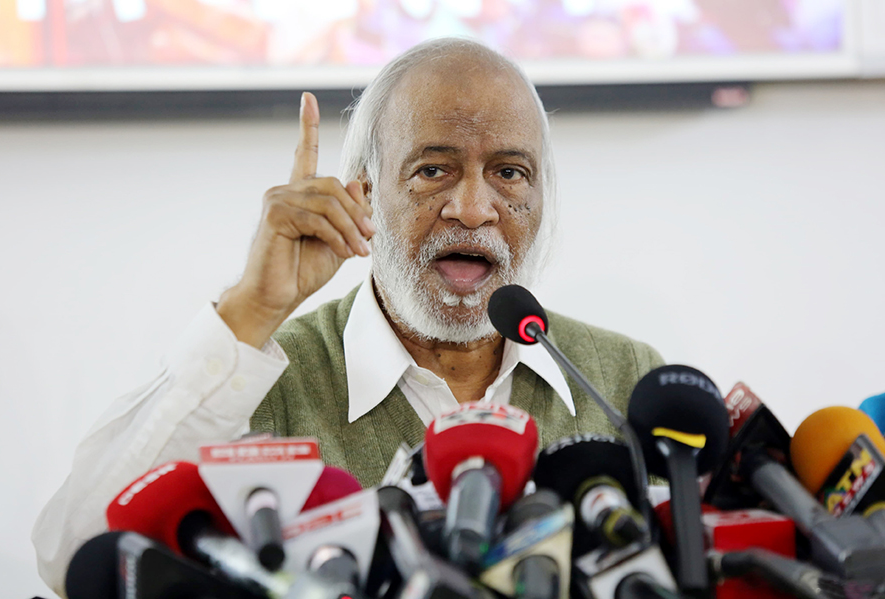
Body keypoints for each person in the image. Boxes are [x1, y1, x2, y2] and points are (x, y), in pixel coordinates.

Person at [32, 37, 663, 596]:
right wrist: (251, 310)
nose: (473, 209)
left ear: (541, 196)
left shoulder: (624, 379)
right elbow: (76, 558)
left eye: (509, 173)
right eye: (433, 170)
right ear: (363, 192)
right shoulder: (263, 382)